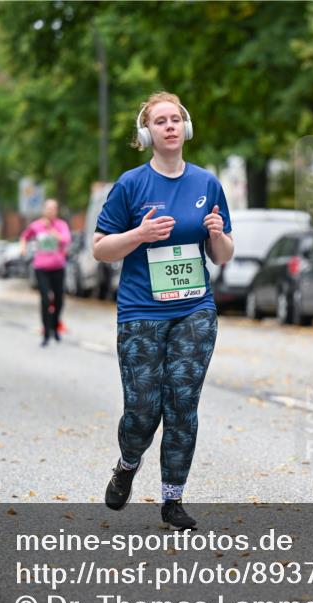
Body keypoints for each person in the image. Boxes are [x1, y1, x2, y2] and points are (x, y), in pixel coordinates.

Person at [92, 91, 233, 529]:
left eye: (175, 119)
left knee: (182, 403)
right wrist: (139, 234)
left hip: (194, 310)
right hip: (141, 313)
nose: (170, 126)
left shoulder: (206, 184)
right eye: (160, 121)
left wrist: (215, 234)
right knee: (142, 410)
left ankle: (173, 499)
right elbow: (100, 249)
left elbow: (224, 254)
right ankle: (128, 463)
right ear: (147, 133)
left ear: (185, 129)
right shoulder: (131, 184)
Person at [19, 199, 71, 346]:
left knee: (59, 300)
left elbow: (66, 240)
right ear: (43, 210)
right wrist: (22, 247)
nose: (50, 211)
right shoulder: (36, 226)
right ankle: (46, 332)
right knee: (46, 299)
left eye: (53, 208)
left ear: (57, 211)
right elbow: (24, 236)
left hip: (58, 267)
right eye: (48, 208)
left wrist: (53, 232)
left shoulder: (61, 225)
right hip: (41, 267)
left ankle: (55, 327)